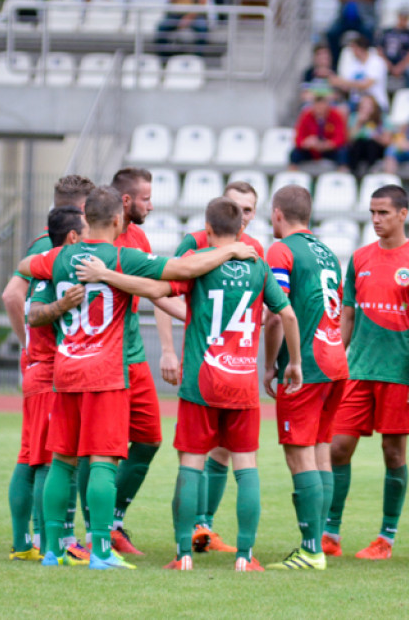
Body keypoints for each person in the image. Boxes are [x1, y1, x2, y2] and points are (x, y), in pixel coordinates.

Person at [18, 186, 259, 570]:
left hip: (64, 370)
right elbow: (182, 271)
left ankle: (52, 549)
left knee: (62, 461)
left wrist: (58, 301)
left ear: (84, 218)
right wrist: (230, 250)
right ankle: (100, 550)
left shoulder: (55, 257)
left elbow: (27, 281)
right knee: (102, 462)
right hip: (106, 373)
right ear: (117, 220)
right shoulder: (122, 256)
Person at [77, 196, 301, 572]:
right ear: (242, 230)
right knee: (246, 466)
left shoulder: (197, 269)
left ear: (207, 230)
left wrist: (107, 276)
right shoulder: (260, 268)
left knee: (191, 465)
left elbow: (152, 290)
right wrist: (292, 362)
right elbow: (288, 315)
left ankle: (182, 554)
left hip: (202, 380)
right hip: (242, 382)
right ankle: (246, 556)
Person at [323, 184, 409, 561]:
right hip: (357, 370)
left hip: (398, 373)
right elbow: (348, 315)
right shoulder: (359, 258)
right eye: (372, 212)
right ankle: (330, 534)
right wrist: (335, 359)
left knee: (393, 452)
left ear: (403, 214)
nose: (376, 219)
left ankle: (385, 538)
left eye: (383, 213)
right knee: (338, 448)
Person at [168, 181, 266, 555]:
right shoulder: (195, 244)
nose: (243, 215)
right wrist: (168, 348)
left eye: (249, 209)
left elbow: (156, 287)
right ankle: (199, 533)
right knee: (196, 456)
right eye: (237, 207)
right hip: (215, 367)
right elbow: (168, 290)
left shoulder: (255, 251)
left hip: (221, 369)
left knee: (216, 454)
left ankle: (201, 529)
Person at [1, 175, 95, 561]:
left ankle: (25, 541)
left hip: (39, 366)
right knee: (46, 459)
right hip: (48, 369)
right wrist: (30, 345)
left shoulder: (44, 248)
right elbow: (18, 298)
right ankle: (46, 540)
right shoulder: (55, 254)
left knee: (29, 455)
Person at [101, 168, 187, 557]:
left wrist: (173, 343)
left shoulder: (138, 237)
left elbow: (155, 292)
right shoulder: (90, 238)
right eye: (146, 199)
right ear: (125, 201)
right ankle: (86, 529)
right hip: (100, 354)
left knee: (149, 438)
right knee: (98, 447)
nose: (151, 205)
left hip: (133, 352)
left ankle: (113, 522)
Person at [263, 185, 349, 571]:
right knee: (319, 452)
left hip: (307, 364)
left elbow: (277, 313)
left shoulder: (280, 250)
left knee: (299, 455)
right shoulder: (328, 252)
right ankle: (321, 542)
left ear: (277, 214)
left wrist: (272, 364)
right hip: (334, 360)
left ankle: (311, 549)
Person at [325, 0, 380, 67]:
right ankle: (336, 64)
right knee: (331, 33)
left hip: (364, 20)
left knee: (370, 32)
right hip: (344, 20)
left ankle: (368, 63)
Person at [329, 32, 389, 112]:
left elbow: (366, 84)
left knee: (365, 107)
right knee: (339, 109)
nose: (351, 52)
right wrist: (335, 81)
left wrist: (341, 81)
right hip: (356, 102)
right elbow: (347, 86)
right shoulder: (354, 64)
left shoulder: (376, 62)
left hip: (376, 102)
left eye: (353, 48)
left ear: (360, 49)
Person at [289, 90, 349, 169]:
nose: (320, 108)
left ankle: (341, 175)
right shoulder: (306, 116)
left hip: (329, 149)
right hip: (311, 150)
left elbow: (341, 137)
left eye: (322, 105)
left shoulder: (336, 116)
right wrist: (307, 142)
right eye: (318, 105)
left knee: (343, 153)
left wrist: (329, 144)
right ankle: (292, 177)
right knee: (295, 154)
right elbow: (298, 138)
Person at [378, 6, 409, 90]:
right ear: (398, 16)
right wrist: (388, 65)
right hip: (386, 62)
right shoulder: (386, 31)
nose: (403, 19)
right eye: (402, 16)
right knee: (376, 68)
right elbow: (379, 50)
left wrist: (400, 67)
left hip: (403, 63)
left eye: (406, 17)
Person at [347, 94, 390, 178]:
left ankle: (372, 170)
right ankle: (354, 172)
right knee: (359, 143)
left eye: (369, 105)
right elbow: (349, 140)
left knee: (371, 144)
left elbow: (387, 141)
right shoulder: (354, 117)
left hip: (376, 149)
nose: (366, 109)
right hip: (359, 149)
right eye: (363, 106)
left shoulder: (382, 119)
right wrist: (359, 123)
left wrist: (376, 137)